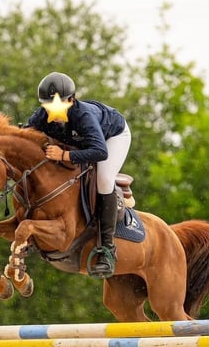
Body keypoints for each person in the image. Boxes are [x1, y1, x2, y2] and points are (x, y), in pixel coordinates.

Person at [24, 71, 131, 278]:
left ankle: (107, 247)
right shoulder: (40, 117)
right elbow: (26, 140)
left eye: (58, 105)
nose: (52, 112)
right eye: (47, 106)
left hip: (113, 137)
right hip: (81, 145)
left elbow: (100, 151)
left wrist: (64, 155)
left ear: (71, 100)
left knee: (104, 179)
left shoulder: (83, 116)